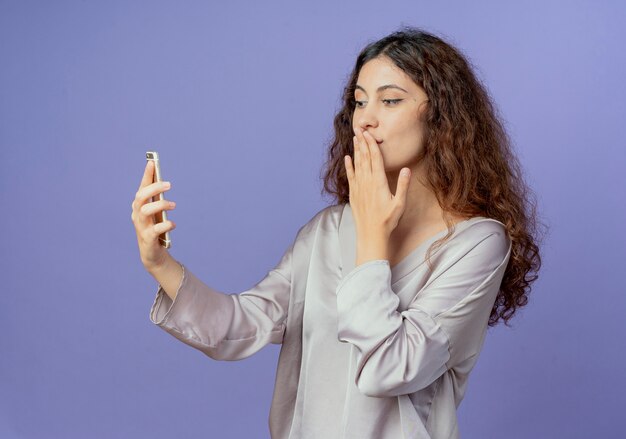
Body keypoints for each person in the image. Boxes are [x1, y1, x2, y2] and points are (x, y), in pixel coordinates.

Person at [131, 26, 543, 439]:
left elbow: (390, 368)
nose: (365, 118)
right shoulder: (326, 231)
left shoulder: (478, 243)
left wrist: (372, 236)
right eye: (359, 101)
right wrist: (159, 263)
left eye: (391, 100)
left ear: (441, 115)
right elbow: (235, 328)